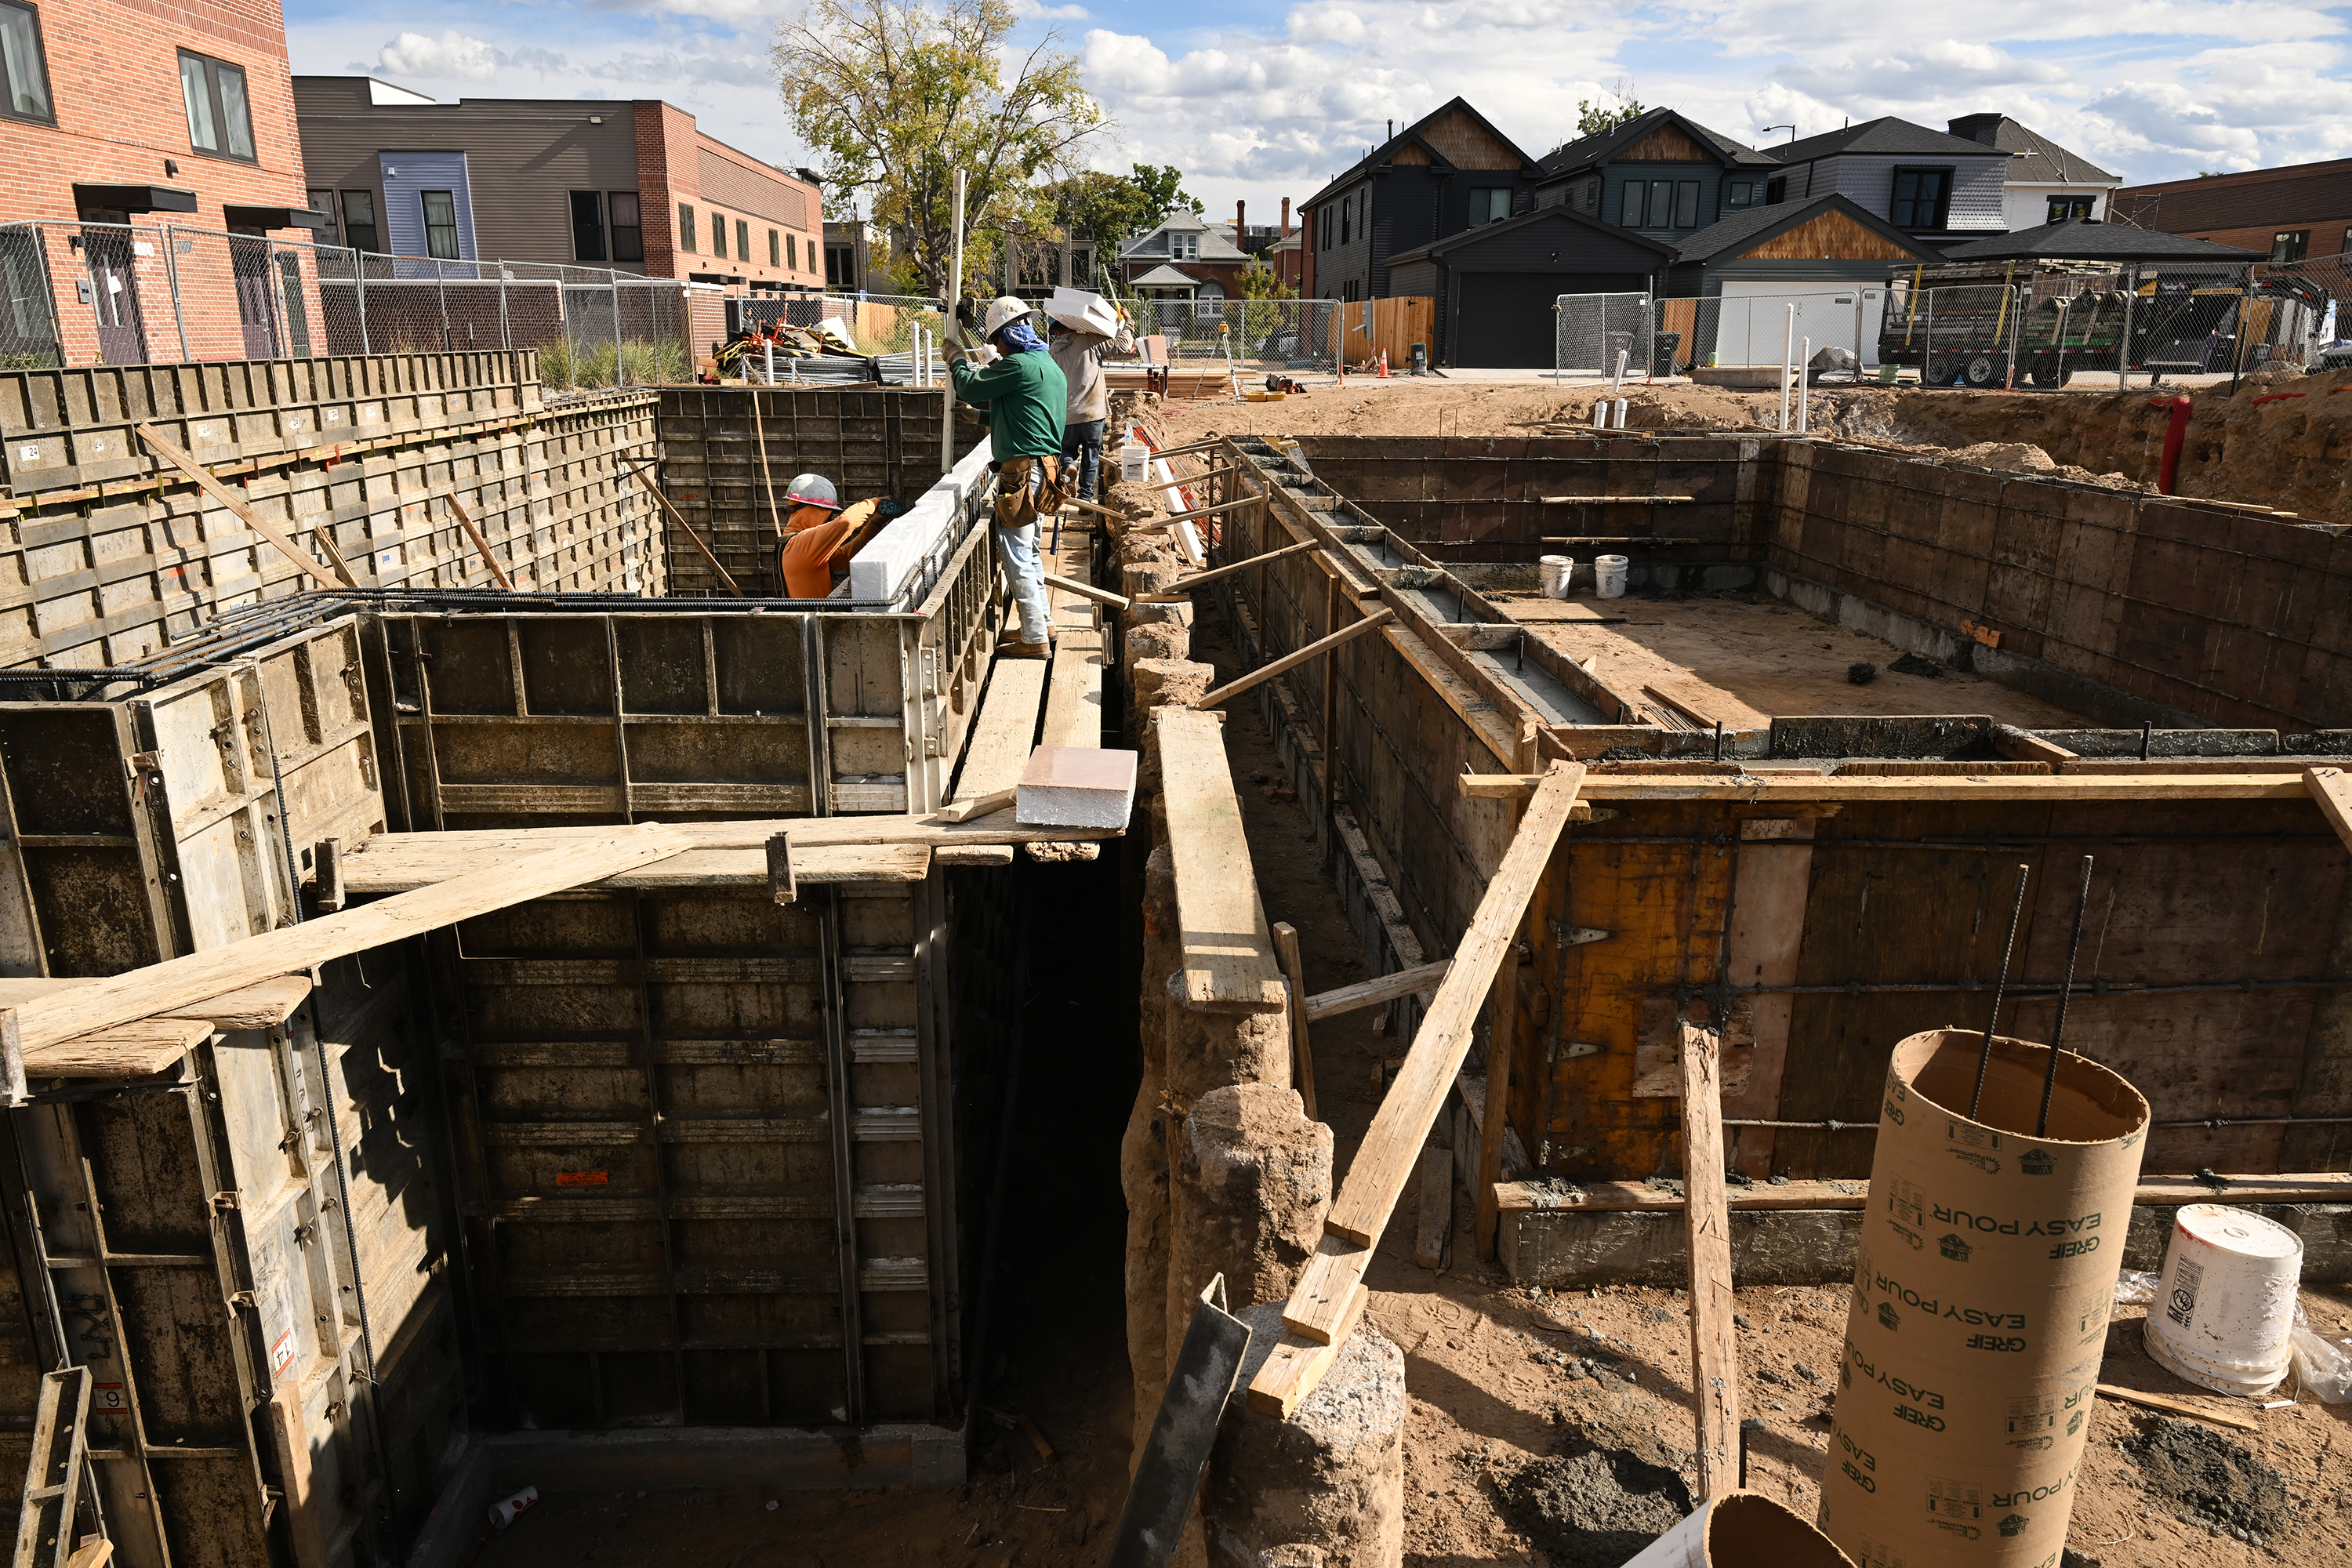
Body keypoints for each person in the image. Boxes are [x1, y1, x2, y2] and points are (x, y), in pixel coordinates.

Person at [949, 296, 1068, 659]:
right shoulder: (1047, 365)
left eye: (997, 341)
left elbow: (969, 386)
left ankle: (1034, 640)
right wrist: (982, 420)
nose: (997, 349)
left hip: (1022, 473)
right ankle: (1042, 624)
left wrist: (956, 361)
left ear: (1006, 338)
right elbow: (1025, 418)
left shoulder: (1017, 367)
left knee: (1016, 554)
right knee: (1030, 552)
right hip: (1045, 469)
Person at [1048, 300, 1137, 503]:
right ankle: (1086, 499)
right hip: (1093, 413)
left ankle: (1069, 465)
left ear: (1055, 330)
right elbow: (1122, 346)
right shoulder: (1088, 339)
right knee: (1091, 455)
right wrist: (1128, 321)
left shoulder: (1053, 350)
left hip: (1066, 414)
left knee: (1066, 450)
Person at [775, 472, 887, 599]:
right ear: (816, 511)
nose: (828, 521)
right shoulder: (802, 545)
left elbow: (844, 557)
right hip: (814, 618)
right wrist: (874, 503)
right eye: (829, 515)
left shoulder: (791, 542)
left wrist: (875, 524)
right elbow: (847, 522)